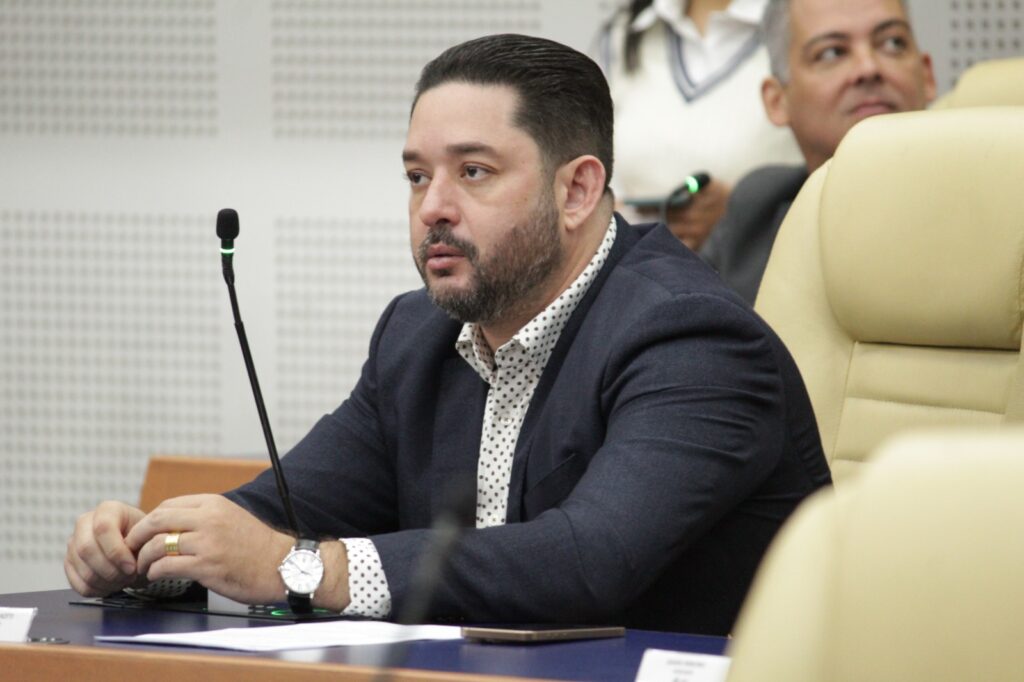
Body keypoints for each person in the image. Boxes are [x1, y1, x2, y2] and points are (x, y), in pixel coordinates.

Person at [64, 34, 830, 636]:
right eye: (416, 176)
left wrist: (303, 570)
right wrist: (154, 550)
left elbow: (588, 562)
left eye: (473, 172)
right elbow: (285, 511)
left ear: (577, 190)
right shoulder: (417, 337)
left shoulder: (691, 339)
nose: (432, 206)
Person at [700, 0, 936, 304]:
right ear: (777, 101)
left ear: (927, 76)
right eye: (832, 52)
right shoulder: (757, 208)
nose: (868, 68)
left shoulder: (982, 207)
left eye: (893, 43)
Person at [598, 0, 803, 250]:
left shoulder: (804, 22)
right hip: (640, 266)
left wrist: (744, 211)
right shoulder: (626, 34)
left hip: (769, 262)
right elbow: (598, 176)